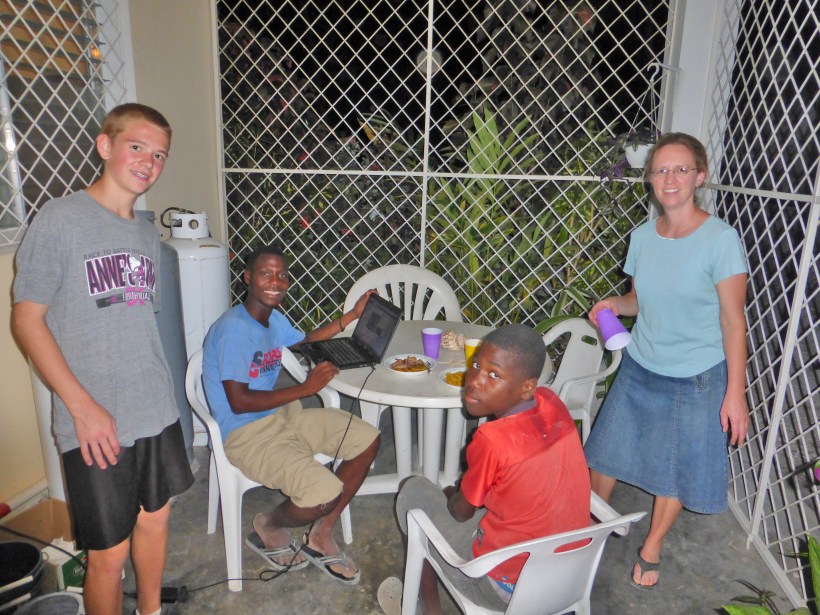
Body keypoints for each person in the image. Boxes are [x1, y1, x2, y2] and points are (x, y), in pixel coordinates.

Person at [12, 103, 194, 615]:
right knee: (108, 554)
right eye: (138, 147)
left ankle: (151, 610)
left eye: (159, 155)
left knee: (156, 520)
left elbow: (136, 324)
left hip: (153, 406)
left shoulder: (143, 232)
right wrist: (83, 408)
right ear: (106, 145)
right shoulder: (60, 218)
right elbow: (27, 320)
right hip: (94, 418)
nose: (149, 162)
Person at [584, 132, 749, 590]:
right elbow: (642, 300)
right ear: (650, 179)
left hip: (696, 376)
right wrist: (615, 305)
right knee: (606, 452)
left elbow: (734, 322)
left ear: (699, 176)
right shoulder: (642, 237)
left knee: (672, 469)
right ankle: (589, 528)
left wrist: (734, 393)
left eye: (680, 169)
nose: (669, 178)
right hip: (641, 364)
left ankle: (652, 543)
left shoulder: (721, 240)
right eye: (660, 170)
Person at [378, 324, 591, 614]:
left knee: (412, 489)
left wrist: (454, 492)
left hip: (505, 587)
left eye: (494, 374)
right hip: (574, 572)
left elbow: (460, 511)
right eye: (476, 365)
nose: (475, 380)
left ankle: (429, 609)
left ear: (527, 386)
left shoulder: (493, 440)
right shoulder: (552, 403)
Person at [202, 244, 380, 586]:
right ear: (248, 278)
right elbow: (238, 401)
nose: (276, 281)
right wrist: (306, 388)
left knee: (368, 438)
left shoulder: (271, 318)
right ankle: (268, 523)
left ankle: (321, 534)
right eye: (266, 274)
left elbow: (305, 342)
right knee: (324, 494)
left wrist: (353, 315)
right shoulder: (233, 330)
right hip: (247, 435)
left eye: (282, 275)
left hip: (285, 416)